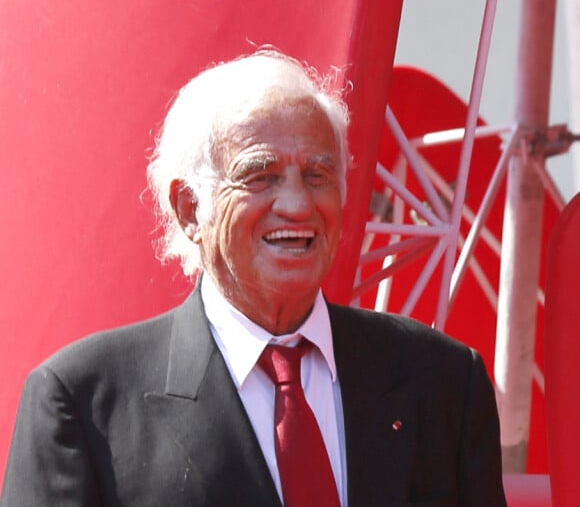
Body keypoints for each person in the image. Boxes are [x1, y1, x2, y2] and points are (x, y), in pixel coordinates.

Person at [1, 49, 506, 506]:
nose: (296, 204)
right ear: (189, 209)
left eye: (317, 175)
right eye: (260, 176)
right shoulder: (84, 402)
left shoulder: (443, 381)